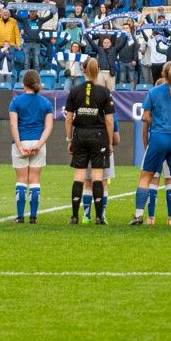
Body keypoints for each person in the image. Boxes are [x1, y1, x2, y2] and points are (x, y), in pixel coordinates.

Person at [135, 60, 171, 226]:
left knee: (146, 176)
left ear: (162, 73)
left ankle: (139, 216)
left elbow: (146, 116)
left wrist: (158, 123)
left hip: (159, 137)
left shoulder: (154, 92)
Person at [64, 57, 116, 224]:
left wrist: (69, 138)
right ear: (98, 70)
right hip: (98, 135)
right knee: (97, 176)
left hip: (80, 134)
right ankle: (99, 217)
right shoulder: (104, 92)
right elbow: (109, 120)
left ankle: (74, 216)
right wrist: (109, 142)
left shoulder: (75, 91)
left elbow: (69, 118)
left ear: (83, 70)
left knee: (79, 175)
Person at [8, 69, 53, 224]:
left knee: (21, 179)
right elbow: (48, 127)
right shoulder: (46, 103)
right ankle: (33, 217)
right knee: (35, 179)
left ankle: (20, 217)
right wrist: (39, 145)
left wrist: (19, 146)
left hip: (21, 142)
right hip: (38, 143)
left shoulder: (16, 102)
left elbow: (13, 125)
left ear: (23, 84)